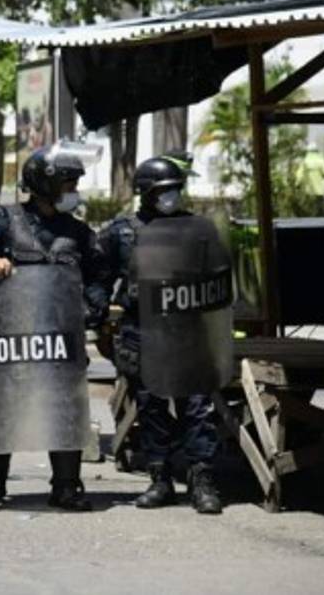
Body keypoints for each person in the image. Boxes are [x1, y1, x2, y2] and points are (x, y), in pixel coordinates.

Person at [0, 143, 110, 511]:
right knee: (2, 404)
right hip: (9, 336)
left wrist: (94, 306)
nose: (73, 190)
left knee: (65, 404)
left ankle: (66, 486)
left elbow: (98, 275)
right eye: (67, 183)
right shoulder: (2, 220)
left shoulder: (77, 232)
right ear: (43, 185)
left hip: (59, 337)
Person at [99, 157, 224, 514]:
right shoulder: (121, 232)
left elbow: (218, 273)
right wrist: (98, 317)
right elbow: (99, 275)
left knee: (197, 408)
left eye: (174, 189)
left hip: (188, 329)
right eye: (162, 191)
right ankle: (161, 479)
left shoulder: (197, 229)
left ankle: (202, 481)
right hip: (143, 328)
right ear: (145, 193)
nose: (171, 197)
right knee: (151, 406)